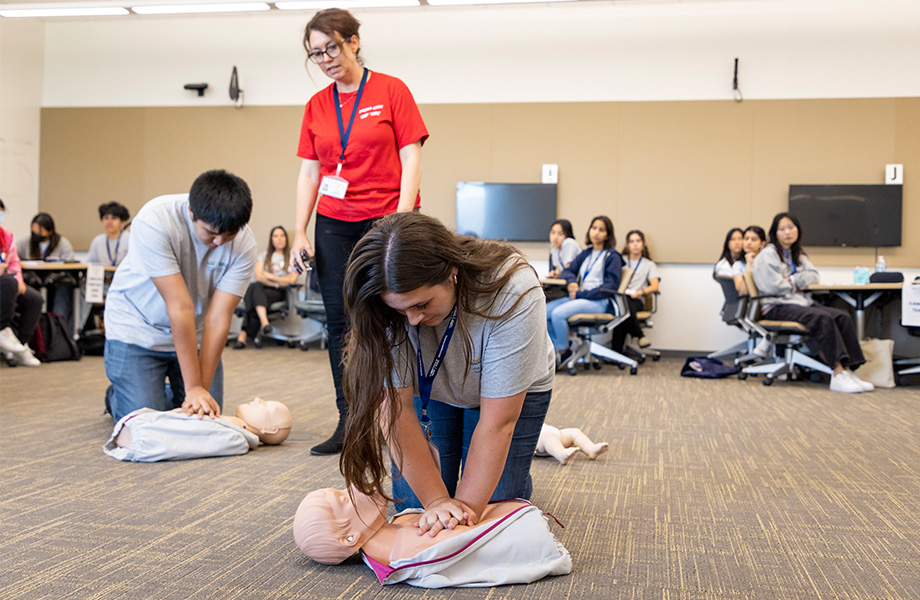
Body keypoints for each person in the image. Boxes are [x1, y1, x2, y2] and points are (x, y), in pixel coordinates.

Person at [340, 212, 554, 538]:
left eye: (422, 305)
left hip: (509, 396)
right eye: (401, 311)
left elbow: (498, 423)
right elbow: (395, 414)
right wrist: (438, 501)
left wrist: (463, 515)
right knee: (415, 508)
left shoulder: (514, 288)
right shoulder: (382, 304)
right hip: (435, 389)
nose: (411, 320)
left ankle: (516, 471)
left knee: (493, 511)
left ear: (451, 271)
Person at [291, 8, 429, 456]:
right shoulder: (316, 106)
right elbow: (309, 174)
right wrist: (299, 230)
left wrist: (402, 221)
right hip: (334, 221)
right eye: (316, 54)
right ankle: (350, 420)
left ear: (353, 41)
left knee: (396, 316)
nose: (326, 58)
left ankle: (407, 414)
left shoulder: (391, 90)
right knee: (340, 323)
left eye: (331, 47)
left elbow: (411, 158)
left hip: (385, 220)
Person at [103, 169, 258, 422]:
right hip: (137, 328)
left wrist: (201, 393)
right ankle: (121, 394)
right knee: (144, 420)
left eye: (227, 235)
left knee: (204, 417)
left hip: (192, 334)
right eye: (211, 233)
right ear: (190, 212)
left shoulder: (245, 243)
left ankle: (164, 389)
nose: (219, 242)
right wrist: (193, 388)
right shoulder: (155, 219)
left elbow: (218, 318)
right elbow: (180, 307)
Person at [292, 486, 571, 588]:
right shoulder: (400, 550)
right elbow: (458, 538)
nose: (351, 488)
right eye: (342, 499)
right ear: (350, 538)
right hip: (528, 536)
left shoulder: (394, 526)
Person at [752, 212, 872, 394]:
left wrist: (790, 280)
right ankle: (837, 372)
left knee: (842, 316)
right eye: (782, 229)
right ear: (775, 233)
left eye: (791, 228)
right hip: (776, 306)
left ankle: (848, 371)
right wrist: (796, 280)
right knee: (822, 317)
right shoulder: (768, 254)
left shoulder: (796, 254)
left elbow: (814, 276)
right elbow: (772, 286)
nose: (787, 232)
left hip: (798, 303)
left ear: (798, 230)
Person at [104, 397, 292, 462]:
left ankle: (112, 397)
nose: (259, 400)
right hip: (139, 427)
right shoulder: (233, 427)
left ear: (270, 429)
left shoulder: (236, 441)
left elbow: (188, 444)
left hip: (143, 437)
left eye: (267, 407)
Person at [545, 216, 623, 367]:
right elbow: (568, 271)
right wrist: (572, 281)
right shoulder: (586, 253)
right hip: (579, 297)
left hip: (598, 301)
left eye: (601, 230)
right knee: (543, 312)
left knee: (557, 314)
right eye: (593, 228)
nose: (596, 232)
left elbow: (610, 287)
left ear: (608, 234)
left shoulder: (612, 256)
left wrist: (580, 294)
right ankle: (560, 346)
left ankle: (563, 351)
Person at [233, 226, 298, 349]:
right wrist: (278, 281)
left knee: (253, 291)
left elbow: (291, 280)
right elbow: (258, 276)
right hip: (263, 290)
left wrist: (269, 276)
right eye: (276, 236)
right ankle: (264, 322)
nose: (279, 239)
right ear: (271, 240)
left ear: (286, 238)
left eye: (282, 236)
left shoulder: (291, 257)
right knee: (255, 286)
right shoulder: (264, 255)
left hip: (279, 293)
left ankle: (243, 335)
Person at [0, 199, 42, 366]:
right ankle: (2, 329)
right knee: (9, 284)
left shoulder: (6, 235)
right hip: (3, 282)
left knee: (34, 298)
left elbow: (14, 262)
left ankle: (21, 345)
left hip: (5, 280)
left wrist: (19, 280)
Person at [17, 212, 77, 325]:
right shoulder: (25, 242)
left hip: (56, 281)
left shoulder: (62, 243)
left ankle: (58, 325)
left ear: (50, 230)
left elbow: (70, 263)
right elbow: (15, 258)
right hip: (32, 280)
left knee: (64, 291)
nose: (36, 234)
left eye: (40, 231)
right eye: (34, 230)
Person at [613, 229, 660, 352]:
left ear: (643, 244)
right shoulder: (619, 260)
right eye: (631, 241)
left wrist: (639, 292)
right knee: (623, 305)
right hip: (618, 298)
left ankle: (616, 352)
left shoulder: (649, 264)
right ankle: (639, 335)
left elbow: (655, 286)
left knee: (624, 309)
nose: (635, 244)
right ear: (627, 245)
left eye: (638, 241)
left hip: (636, 300)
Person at [535, 424, 608, 465]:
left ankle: (591, 449)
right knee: (547, 436)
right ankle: (561, 454)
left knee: (574, 432)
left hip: (557, 434)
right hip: (539, 441)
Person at [86, 202, 131, 267]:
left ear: (122, 222)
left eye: (114, 218)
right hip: (103, 276)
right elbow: (90, 263)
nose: (109, 222)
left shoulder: (129, 239)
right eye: (106, 218)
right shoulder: (98, 241)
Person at [713, 227, 745, 293]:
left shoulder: (748, 262)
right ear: (728, 243)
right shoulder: (722, 265)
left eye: (740, 239)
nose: (737, 242)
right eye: (733, 239)